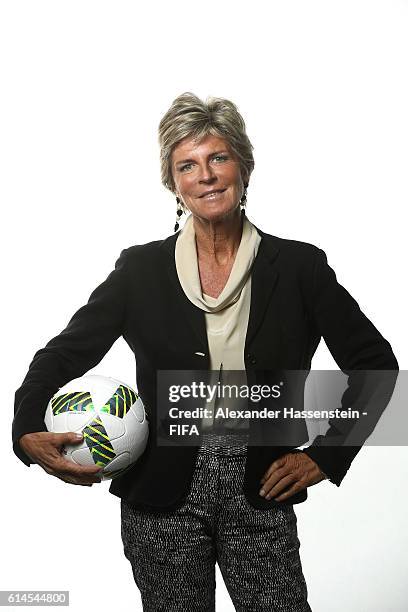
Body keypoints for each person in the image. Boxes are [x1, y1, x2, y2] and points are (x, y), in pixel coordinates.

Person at [13, 92, 398, 611]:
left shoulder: (301, 269)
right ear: (174, 184)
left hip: (261, 487)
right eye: (188, 166)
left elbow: (375, 364)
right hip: (160, 492)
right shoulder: (140, 271)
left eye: (218, 158)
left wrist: (328, 455)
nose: (207, 175)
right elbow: (61, 355)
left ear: (243, 166)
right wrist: (25, 428)